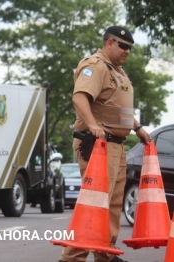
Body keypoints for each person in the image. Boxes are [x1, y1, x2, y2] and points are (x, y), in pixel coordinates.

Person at [58, 26, 151, 262]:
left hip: (117, 145)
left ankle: (105, 253)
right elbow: (79, 97)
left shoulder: (118, 72)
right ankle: (72, 257)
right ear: (109, 43)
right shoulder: (95, 65)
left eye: (130, 47)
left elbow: (118, 109)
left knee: (113, 204)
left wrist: (137, 128)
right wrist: (92, 125)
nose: (127, 51)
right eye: (123, 46)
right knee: (95, 202)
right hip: (99, 145)